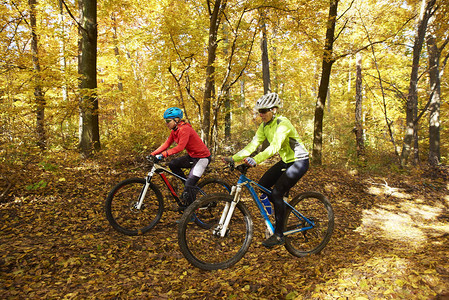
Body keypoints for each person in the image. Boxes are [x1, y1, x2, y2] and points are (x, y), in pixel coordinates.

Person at [225, 92, 309, 248]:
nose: (261, 115)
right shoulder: (264, 126)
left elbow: (275, 147)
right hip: (286, 161)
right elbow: (252, 145)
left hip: (299, 161)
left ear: (274, 110)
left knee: (276, 192)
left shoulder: (283, 123)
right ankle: (280, 208)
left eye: (264, 111)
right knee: (262, 185)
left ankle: (279, 234)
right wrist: (234, 158)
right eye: (259, 112)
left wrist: (255, 160)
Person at [150, 107, 211, 209]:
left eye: (168, 121)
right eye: (165, 121)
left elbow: (180, 147)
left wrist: (163, 155)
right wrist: (153, 154)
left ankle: (191, 213)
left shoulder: (185, 129)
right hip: (192, 157)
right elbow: (167, 144)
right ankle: (188, 189)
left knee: (189, 184)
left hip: (202, 158)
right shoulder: (175, 131)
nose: (166, 123)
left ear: (176, 120)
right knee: (173, 164)